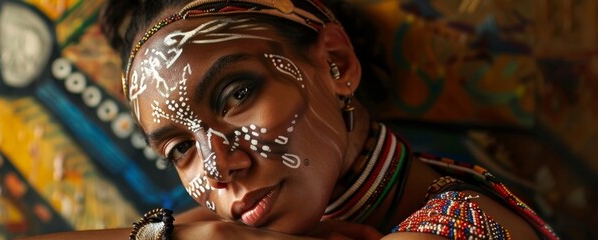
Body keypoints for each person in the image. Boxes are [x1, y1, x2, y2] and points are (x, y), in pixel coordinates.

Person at [29, 0, 560, 239]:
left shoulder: (466, 226)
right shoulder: (232, 226)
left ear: (336, 62)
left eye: (237, 94)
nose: (218, 168)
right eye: (179, 150)